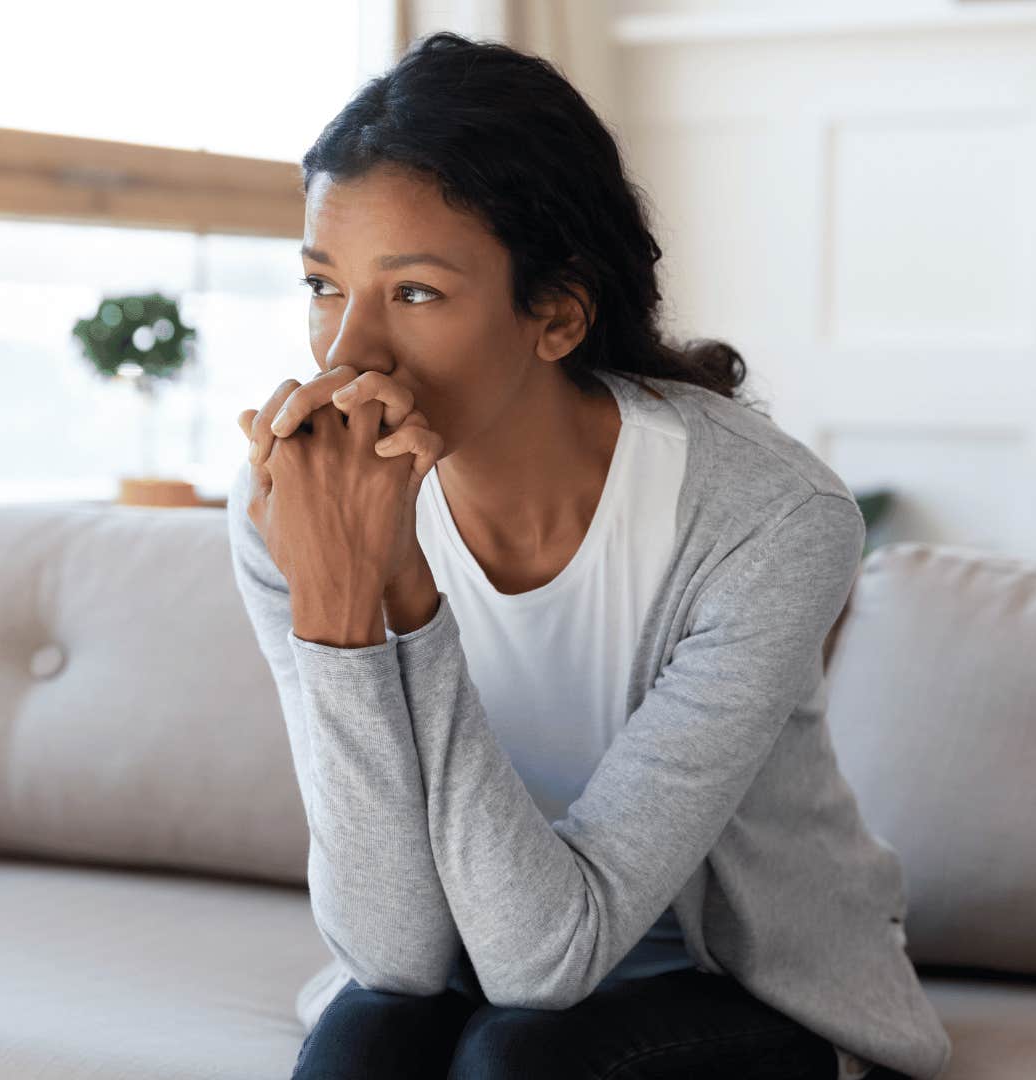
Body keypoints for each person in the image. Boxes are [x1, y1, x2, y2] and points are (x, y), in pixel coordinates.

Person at [225, 30, 951, 1080]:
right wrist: (337, 609)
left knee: (517, 1059)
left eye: (416, 293)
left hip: (742, 992)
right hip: (480, 976)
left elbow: (541, 964)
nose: (348, 355)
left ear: (556, 315)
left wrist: (403, 596)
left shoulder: (767, 520)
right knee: (363, 1040)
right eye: (324, 285)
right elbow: (389, 955)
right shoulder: (287, 508)